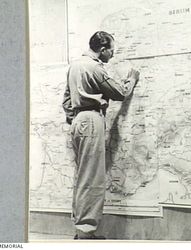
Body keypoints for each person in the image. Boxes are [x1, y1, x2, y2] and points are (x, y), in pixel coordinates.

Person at [62, 31, 140, 240]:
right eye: (111, 51)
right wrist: (131, 79)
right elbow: (119, 93)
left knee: (82, 176)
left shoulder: (75, 65)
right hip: (91, 120)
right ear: (103, 49)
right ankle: (86, 233)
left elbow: (67, 101)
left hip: (78, 122)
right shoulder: (94, 67)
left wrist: (76, 118)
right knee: (92, 178)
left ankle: (81, 229)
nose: (112, 55)